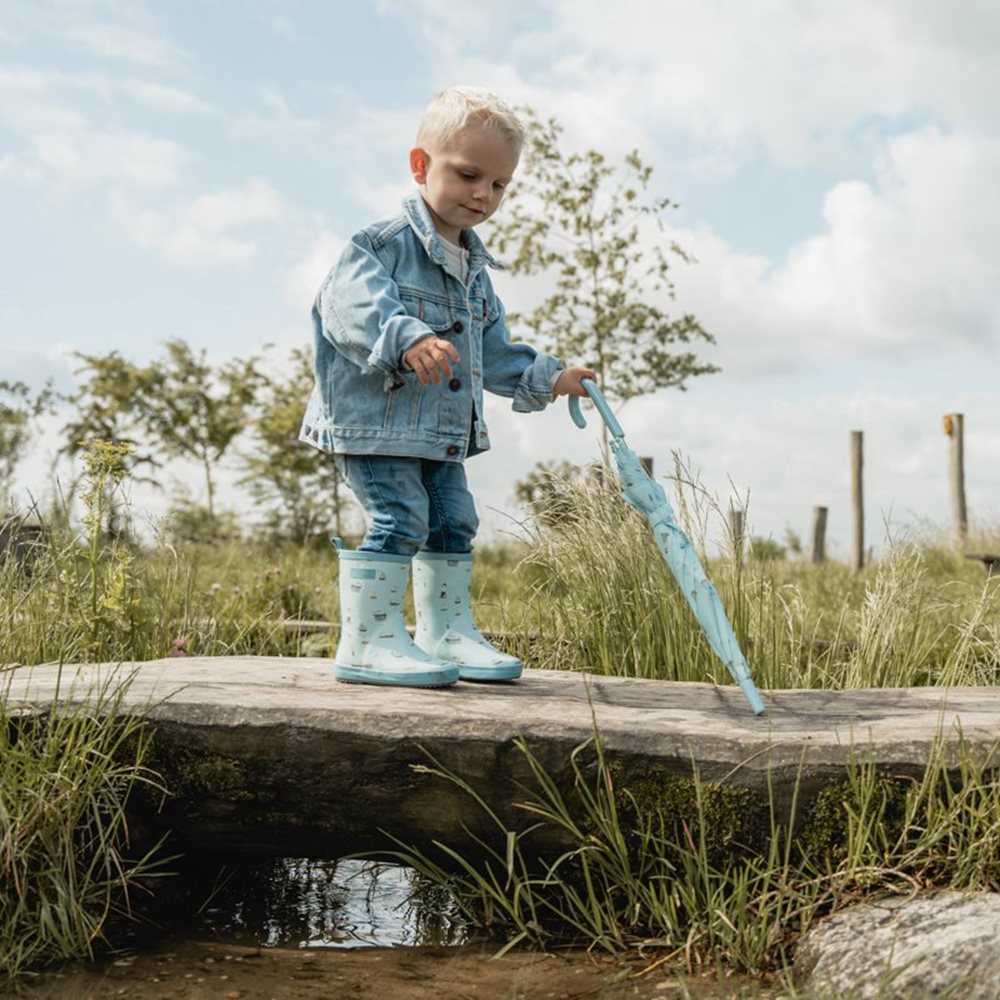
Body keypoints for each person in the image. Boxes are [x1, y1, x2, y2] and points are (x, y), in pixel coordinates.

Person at [300, 85, 596, 689]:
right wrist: (405, 335)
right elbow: (350, 307)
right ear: (420, 166)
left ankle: (446, 632)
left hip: (441, 432)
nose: (483, 195)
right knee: (400, 517)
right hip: (377, 426)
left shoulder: (476, 277)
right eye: (468, 175)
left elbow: (492, 353)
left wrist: (552, 377)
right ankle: (370, 641)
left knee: (453, 520)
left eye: (499, 185)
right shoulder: (381, 247)